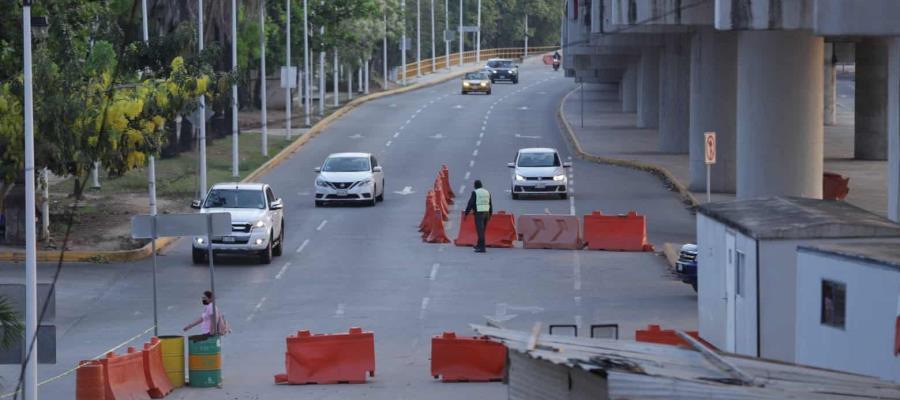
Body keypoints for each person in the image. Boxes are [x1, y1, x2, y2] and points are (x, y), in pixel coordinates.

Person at [464, 180, 493, 253]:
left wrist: (466, 213)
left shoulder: (475, 192)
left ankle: (482, 248)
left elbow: (470, 203)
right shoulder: (487, 192)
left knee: (480, 231)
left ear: (475, 186)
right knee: (482, 230)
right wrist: (490, 214)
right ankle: (479, 245)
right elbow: (490, 203)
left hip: (479, 213)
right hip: (486, 213)